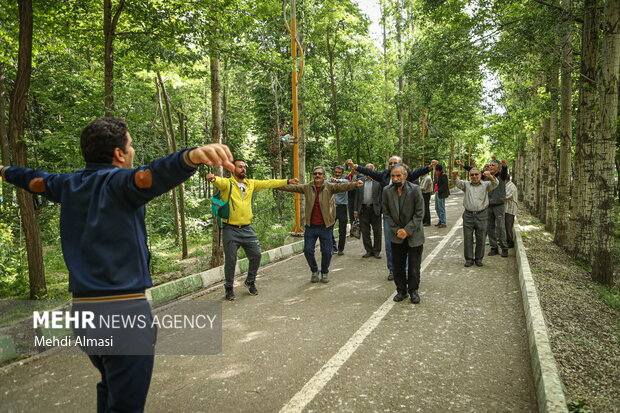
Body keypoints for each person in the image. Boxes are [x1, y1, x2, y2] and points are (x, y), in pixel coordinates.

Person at [0, 117, 234, 413]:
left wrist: (4, 171)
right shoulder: (121, 182)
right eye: (131, 144)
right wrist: (190, 157)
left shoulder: (66, 184)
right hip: (123, 315)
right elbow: (151, 175)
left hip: (84, 315)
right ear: (119, 154)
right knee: (125, 405)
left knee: (110, 387)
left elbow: (32, 179)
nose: (133, 150)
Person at [206, 160, 298, 301]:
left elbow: (268, 183)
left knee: (256, 255)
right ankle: (229, 287)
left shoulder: (250, 183)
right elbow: (219, 182)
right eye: (240, 167)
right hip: (230, 229)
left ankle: (250, 281)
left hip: (247, 228)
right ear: (233, 169)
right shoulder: (228, 183)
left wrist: (287, 181)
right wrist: (212, 178)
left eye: (244, 167)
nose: (243, 169)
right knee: (231, 260)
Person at [345, 156, 437, 280]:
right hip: (390, 218)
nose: (392, 165)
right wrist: (356, 167)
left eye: (395, 163)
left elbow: (417, 172)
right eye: (390, 163)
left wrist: (429, 167)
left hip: (407, 217)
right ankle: (392, 270)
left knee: (408, 244)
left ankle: (406, 269)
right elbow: (370, 172)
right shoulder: (385, 175)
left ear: (401, 166)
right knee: (390, 245)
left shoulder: (406, 175)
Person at [278, 167, 361, 283]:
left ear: (324, 176)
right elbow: (292, 187)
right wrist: (275, 184)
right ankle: (314, 270)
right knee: (307, 250)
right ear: (313, 175)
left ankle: (325, 272)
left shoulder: (330, 187)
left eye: (320, 173)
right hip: (311, 227)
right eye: (315, 173)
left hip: (325, 227)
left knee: (327, 251)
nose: (317, 175)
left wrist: (355, 184)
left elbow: (343, 186)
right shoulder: (307, 187)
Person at [382, 164, 425, 304]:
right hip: (396, 235)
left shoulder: (415, 190)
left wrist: (407, 230)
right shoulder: (387, 191)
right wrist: (396, 230)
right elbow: (386, 214)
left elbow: (419, 214)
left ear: (405, 176)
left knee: (414, 266)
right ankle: (401, 290)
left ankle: (413, 291)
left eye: (398, 175)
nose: (395, 178)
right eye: (393, 176)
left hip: (414, 235)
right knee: (398, 265)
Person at [451, 168, 499, 267]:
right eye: (472, 175)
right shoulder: (466, 185)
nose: (474, 177)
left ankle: (479, 259)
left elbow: (495, 184)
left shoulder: (486, 185)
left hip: (482, 215)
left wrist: (490, 176)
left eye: (476, 174)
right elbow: (456, 182)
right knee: (468, 238)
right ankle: (469, 259)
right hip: (468, 215)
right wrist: (455, 175)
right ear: (470, 176)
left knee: (481, 238)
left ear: (480, 175)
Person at [354, 164, 382, 260]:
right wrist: (355, 210)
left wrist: (381, 209)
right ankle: (368, 250)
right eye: (367, 170)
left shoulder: (378, 181)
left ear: (374, 170)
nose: (368, 172)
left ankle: (377, 251)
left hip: (375, 210)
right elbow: (357, 197)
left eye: (370, 170)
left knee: (377, 231)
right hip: (363, 210)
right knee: (365, 232)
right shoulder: (360, 181)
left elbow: (382, 197)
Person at [330, 165, 349, 255]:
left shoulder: (345, 181)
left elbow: (347, 181)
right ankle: (333, 247)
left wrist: (337, 181)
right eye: (336, 172)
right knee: (328, 228)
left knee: (342, 230)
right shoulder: (329, 182)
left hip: (342, 208)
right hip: (332, 208)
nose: (337, 174)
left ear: (342, 173)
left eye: (339, 172)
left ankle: (341, 249)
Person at [504, 175, 518, 249]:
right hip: (506, 208)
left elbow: (506, 196)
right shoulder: (507, 185)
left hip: (510, 209)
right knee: (506, 225)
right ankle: (506, 241)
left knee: (508, 226)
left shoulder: (511, 186)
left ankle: (510, 242)